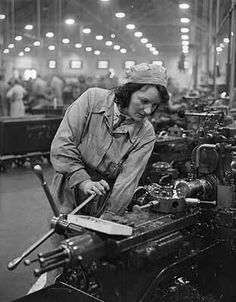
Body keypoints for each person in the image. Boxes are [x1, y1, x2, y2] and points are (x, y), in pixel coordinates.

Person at [50, 63, 169, 220]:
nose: (148, 111)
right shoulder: (92, 99)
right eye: (144, 100)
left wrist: (110, 215)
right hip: (68, 188)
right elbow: (62, 144)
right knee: (64, 235)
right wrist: (83, 181)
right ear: (128, 92)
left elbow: (127, 180)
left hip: (103, 200)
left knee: (93, 241)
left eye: (154, 105)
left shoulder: (146, 133)